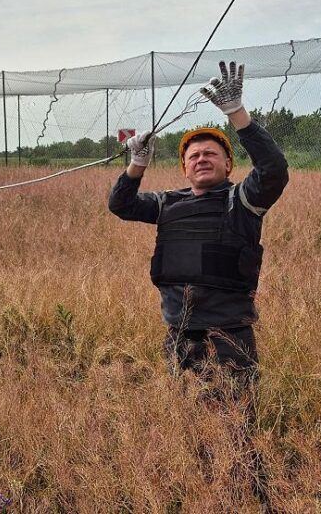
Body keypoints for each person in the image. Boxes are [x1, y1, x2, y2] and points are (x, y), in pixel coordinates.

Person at [108, 61, 289, 390]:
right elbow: (121, 205)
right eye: (194, 156)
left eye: (211, 153)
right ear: (185, 168)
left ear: (228, 163)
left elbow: (273, 169)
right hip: (178, 333)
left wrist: (237, 114)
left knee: (232, 431)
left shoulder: (242, 200)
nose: (202, 158)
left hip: (228, 337)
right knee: (185, 425)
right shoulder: (168, 203)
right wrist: (137, 164)